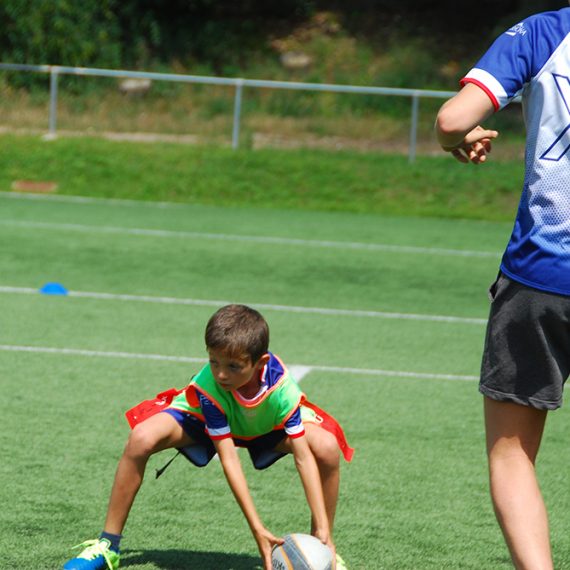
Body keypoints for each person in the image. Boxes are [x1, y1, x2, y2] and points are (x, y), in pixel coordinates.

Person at [63, 304, 354, 570]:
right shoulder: (210, 387)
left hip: (264, 426)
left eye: (233, 366)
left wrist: (323, 525)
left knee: (326, 447)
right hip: (204, 422)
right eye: (214, 362)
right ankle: (108, 546)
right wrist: (257, 528)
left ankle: (323, 547)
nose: (221, 374)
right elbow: (229, 459)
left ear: (260, 362)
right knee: (141, 438)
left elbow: (304, 458)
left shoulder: (281, 387)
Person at [435, 6, 570, 570]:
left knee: (512, 454)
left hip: (542, 276)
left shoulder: (546, 32)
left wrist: (459, 137)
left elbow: (451, 121)